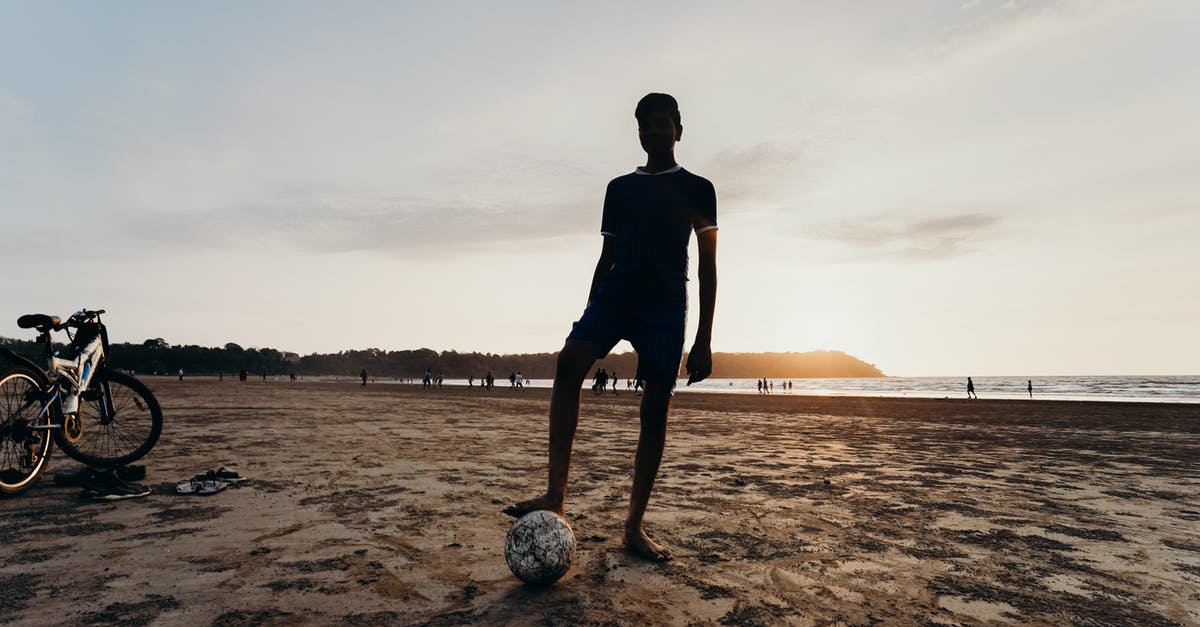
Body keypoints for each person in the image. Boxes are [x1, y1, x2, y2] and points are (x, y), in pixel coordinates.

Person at [504, 93, 717, 562]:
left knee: (655, 408)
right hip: (616, 295)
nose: (655, 132)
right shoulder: (619, 188)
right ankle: (555, 495)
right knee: (568, 361)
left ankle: (633, 527)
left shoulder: (699, 188)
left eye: (663, 124)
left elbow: (707, 267)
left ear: (679, 130)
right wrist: (590, 310)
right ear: (637, 132)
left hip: (665, 305)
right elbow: (606, 256)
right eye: (646, 125)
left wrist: (703, 339)